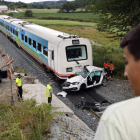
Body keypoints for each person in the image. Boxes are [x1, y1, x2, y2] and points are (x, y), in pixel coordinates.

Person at [94, 24, 140, 140]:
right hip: (108, 70)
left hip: (109, 71)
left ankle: (110, 78)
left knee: (109, 74)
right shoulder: (106, 64)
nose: (125, 73)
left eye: (127, 62)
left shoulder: (117, 117)